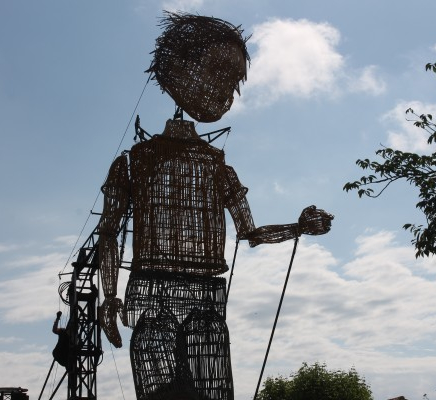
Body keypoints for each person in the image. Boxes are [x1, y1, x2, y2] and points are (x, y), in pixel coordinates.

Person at [97, 12, 333, 400]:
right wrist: (109, 296)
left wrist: (297, 228)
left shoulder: (217, 167)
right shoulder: (133, 162)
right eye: (218, 72)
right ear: (176, 67)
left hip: (206, 298)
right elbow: (109, 230)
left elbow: (249, 232)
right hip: (149, 297)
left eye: (233, 81)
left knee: (213, 390)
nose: (225, 90)